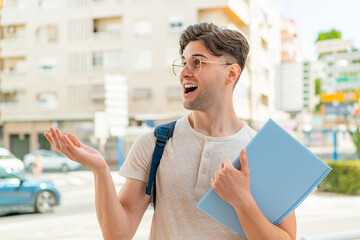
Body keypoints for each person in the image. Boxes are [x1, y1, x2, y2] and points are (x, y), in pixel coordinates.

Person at [44, 22, 296, 240]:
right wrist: (100, 170)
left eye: (197, 62)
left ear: (231, 72)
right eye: (184, 63)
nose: (185, 72)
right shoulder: (154, 143)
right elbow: (117, 234)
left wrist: (242, 201)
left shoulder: (264, 151)